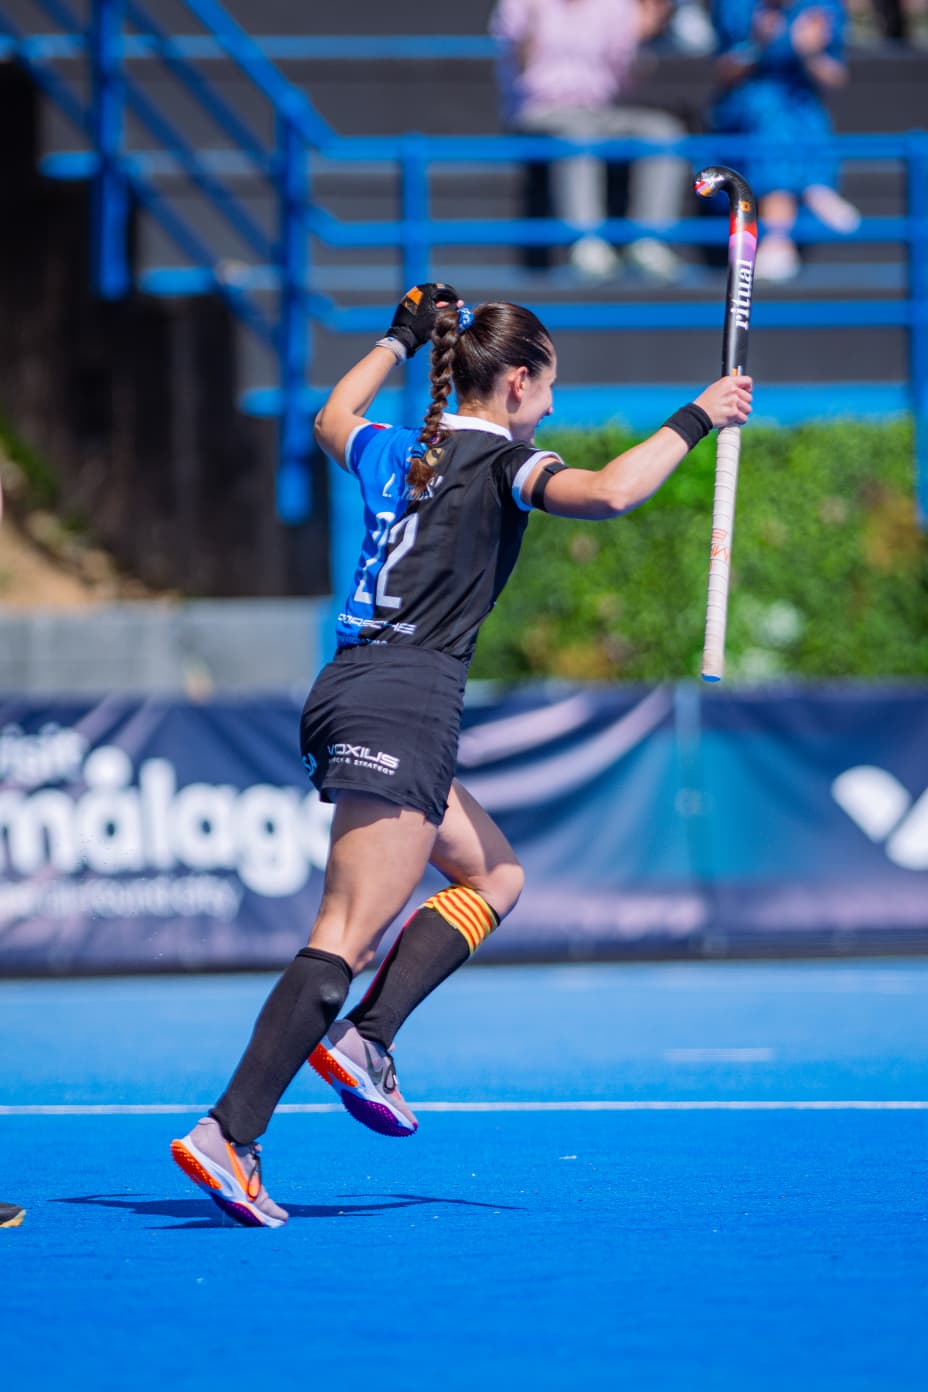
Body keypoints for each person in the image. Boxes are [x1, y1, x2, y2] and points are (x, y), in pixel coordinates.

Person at [171, 282, 752, 1228]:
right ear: (517, 382)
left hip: (362, 691)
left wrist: (401, 339)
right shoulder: (502, 465)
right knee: (346, 933)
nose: (554, 407)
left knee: (496, 875)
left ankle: (367, 1042)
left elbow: (331, 416)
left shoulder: (405, 449)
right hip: (403, 703)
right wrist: (702, 412)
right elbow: (611, 493)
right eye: (549, 388)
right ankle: (229, 1133)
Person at [490, 0, 689, 280]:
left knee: (663, 130)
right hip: (539, 110)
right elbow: (517, 65)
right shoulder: (520, 4)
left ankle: (650, 240)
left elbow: (625, 78)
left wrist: (641, 36)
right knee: (579, 133)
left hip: (600, 109)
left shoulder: (615, 6)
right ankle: (586, 242)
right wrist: (530, 27)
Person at [709, 1, 861, 281]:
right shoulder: (735, 7)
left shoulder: (824, 7)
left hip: (802, 112)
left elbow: (835, 77)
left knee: (791, 115)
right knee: (769, 112)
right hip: (748, 112)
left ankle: (783, 230)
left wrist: (811, 53)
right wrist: (757, 44)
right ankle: (811, 186)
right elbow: (724, 73)